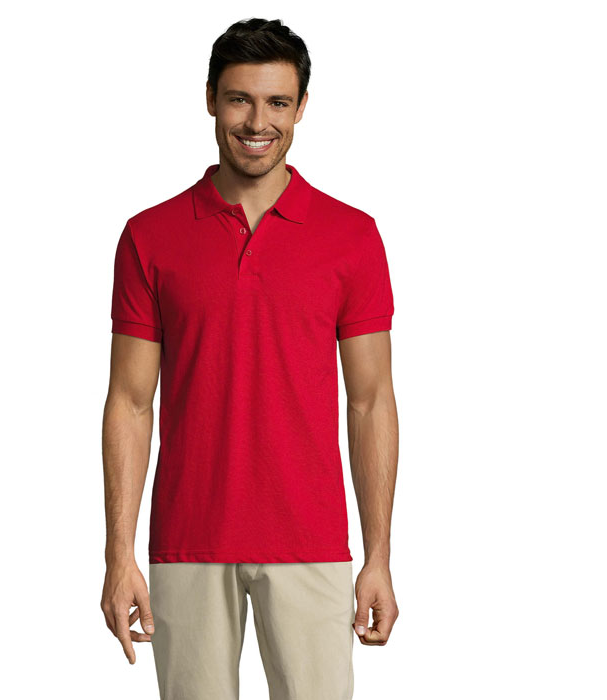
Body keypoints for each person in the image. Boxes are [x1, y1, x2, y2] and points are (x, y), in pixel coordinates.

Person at [101, 17, 400, 700]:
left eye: (277, 102)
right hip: (188, 542)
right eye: (239, 99)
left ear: (301, 108)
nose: (257, 122)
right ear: (210, 99)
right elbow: (129, 401)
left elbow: (370, 401)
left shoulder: (352, 237)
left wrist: (378, 555)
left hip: (311, 542)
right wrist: (119, 554)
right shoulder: (150, 236)